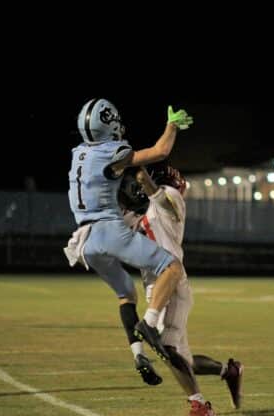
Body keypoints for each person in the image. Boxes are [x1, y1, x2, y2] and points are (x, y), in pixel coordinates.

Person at [64, 99, 193, 387]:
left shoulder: (79, 153)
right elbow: (160, 151)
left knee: (125, 295)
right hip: (109, 230)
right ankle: (148, 324)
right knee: (171, 268)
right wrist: (171, 126)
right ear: (108, 122)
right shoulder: (113, 151)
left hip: (84, 241)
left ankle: (138, 355)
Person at [120, 162, 244, 416]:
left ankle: (201, 407)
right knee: (182, 358)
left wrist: (141, 174)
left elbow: (158, 197)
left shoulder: (170, 197)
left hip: (172, 285)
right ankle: (228, 371)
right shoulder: (143, 212)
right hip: (158, 287)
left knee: (166, 348)